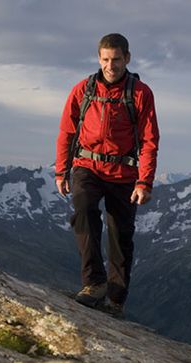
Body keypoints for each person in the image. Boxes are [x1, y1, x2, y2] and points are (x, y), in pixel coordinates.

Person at [55, 33, 159, 319]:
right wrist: (62, 170)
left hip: (124, 172)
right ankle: (94, 283)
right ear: (98, 58)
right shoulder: (83, 90)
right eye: (105, 59)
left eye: (116, 59)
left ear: (127, 58)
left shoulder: (140, 93)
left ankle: (115, 299)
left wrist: (144, 181)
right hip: (87, 166)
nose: (110, 66)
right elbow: (67, 131)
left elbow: (150, 140)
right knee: (84, 210)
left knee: (120, 235)